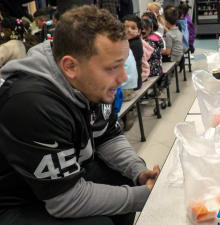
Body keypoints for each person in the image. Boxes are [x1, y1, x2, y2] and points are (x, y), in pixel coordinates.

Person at [0, 5, 160, 225]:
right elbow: (65, 199)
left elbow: (108, 136)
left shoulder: (90, 83)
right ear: (70, 66)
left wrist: (139, 172)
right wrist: (146, 197)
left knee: (129, 176)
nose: (123, 77)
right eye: (112, 68)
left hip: (64, 175)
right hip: (19, 200)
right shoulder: (32, 103)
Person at [122, 14, 143, 92]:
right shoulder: (131, 41)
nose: (129, 30)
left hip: (133, 84)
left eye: (133, 28)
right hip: (135, 81)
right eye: (125, 27)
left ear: (139, 31)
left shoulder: (134, 44)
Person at [142, 12, 164, 78]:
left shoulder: (149, 41)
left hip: (152, 70)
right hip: (158, 67)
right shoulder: (156, 37)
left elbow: (145, 57)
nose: (144, 32)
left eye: (145, 29)